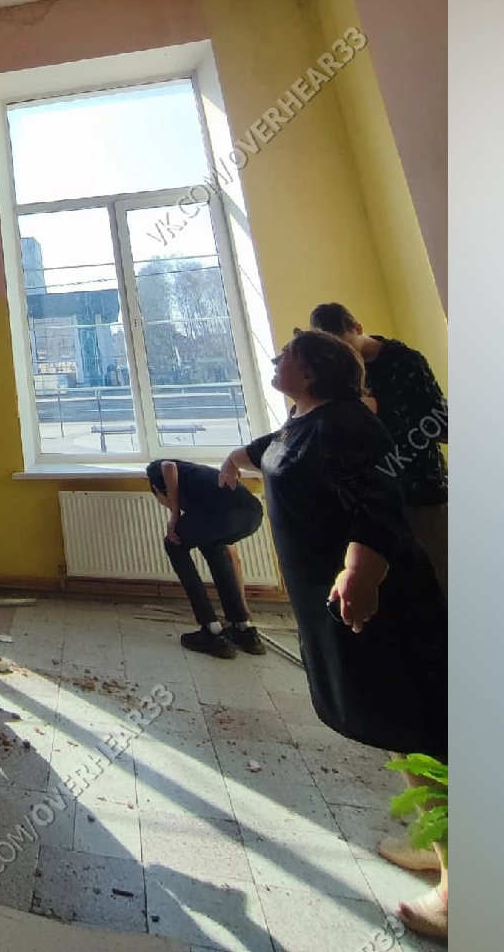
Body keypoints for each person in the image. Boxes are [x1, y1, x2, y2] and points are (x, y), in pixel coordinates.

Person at [225, 329, 448, 939]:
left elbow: (376, 504)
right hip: (342, 606)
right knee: (399, 727)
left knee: (421, 724)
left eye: (288, 355)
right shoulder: (305, 421)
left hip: (381, 605)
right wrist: (234, 459)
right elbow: (274, 451)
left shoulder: (348, 425)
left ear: (314, 371)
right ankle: (437, 843)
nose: (276, 359)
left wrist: (360, 573)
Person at [308, 302, 447, 590]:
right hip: (372, 496)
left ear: (358, 328)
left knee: (443, 573)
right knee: (398, 587)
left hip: (420, 487)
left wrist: (381, 409)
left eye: (346, 346)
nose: (344, 356)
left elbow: (441, 421)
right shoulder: (337, 372)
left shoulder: (406, 361)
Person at [145, 458, 267, 656]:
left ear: (156, 490)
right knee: (212, 545)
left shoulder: (155, 472)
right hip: (252, 515)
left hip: (223, 512)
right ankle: (243, 628)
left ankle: (211, 630)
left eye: (160, 500)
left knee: (173, 544)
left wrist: (174, 515)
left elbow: (168, 466)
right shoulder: (197, 480)